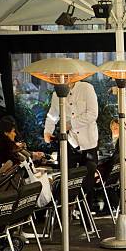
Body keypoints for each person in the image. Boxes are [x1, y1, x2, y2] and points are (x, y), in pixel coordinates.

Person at [44, 80, 99, 208]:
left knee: (88, 181)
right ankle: (66, 213)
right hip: (69, 141)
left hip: (89, 142)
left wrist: (71, 124)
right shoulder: (56, 94)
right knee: (67, 179)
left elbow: (92, 114)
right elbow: (52, 115)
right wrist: (47, 131)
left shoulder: (87, 88)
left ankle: (86, 215)